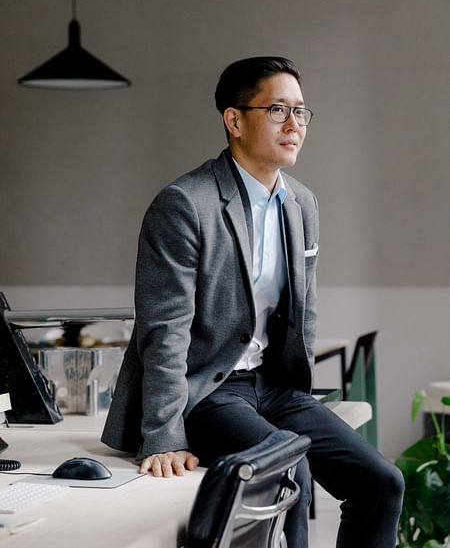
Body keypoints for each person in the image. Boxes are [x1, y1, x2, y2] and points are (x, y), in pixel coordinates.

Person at [102, 56, 404, 547]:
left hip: (274, 386)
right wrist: (164, 435)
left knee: (381, 483)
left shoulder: (301, 202)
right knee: (290, 468)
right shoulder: (185, 203)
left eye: (302, 112)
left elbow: (302, 311)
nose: (294, 125)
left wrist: (300, 396)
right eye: (278, 110)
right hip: (208, 390)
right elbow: (165, 329)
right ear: (235, 120)